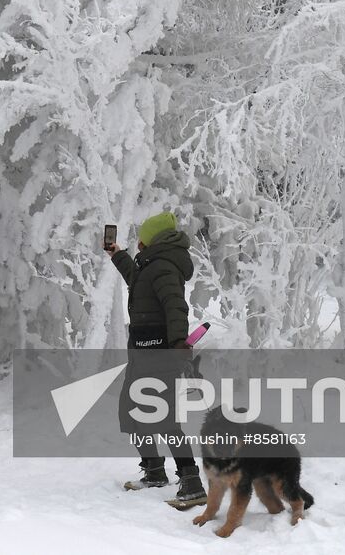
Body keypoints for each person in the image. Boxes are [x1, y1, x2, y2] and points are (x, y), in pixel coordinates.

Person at [105, 211, 206, 506]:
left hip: (160, 354)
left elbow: (176, 306)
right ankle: (154, 471)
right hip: (142, 354)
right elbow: (137, 281)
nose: (139, 242)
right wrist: (117, 255)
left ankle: (192, 482)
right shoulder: (152, 264)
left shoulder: (163, 266)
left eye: (142, 238)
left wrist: (178, 344)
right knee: (132, 413)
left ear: (152, 239)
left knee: (164, 418)